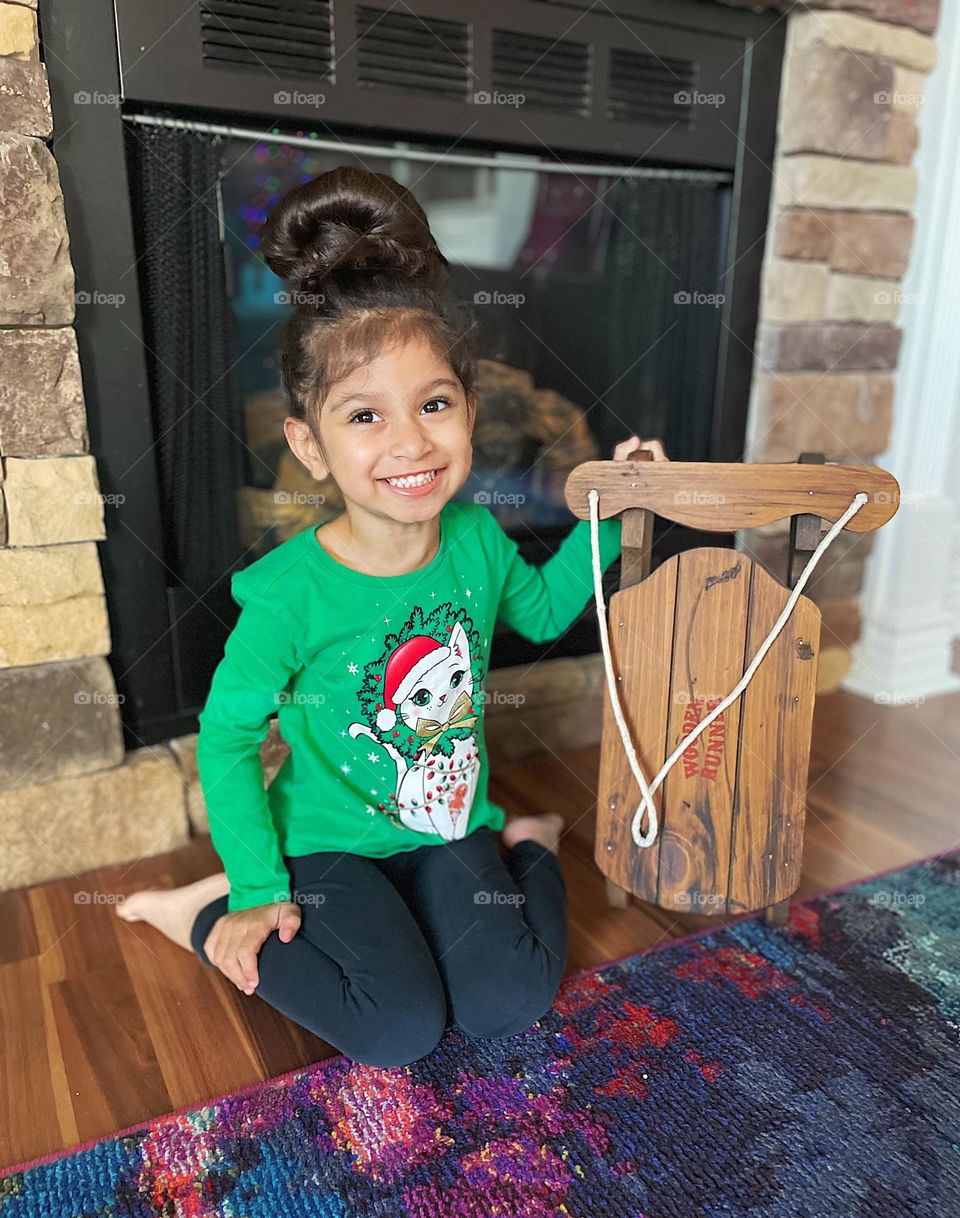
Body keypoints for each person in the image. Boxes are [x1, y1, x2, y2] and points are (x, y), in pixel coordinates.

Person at [117, 164, 669, 1068]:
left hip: (447, 830)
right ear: (311, 444)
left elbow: (538, 612)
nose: (410, 441)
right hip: (330, 848)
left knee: (507, 1002)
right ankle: (206, 909)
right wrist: (258, 888)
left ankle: (524, 842)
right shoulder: (288, 595)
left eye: (434, 404)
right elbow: (223, 742)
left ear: (469, 411)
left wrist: (607, 519)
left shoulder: (476, 541)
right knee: (398, 1029)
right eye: (365, 415)